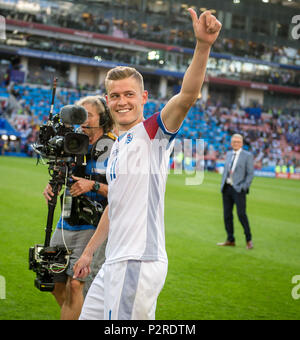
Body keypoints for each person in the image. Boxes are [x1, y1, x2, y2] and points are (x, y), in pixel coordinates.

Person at [73, 8, 222, 320]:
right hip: (113, 260)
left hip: (137, 261)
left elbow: (187, 96)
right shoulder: (115, 146)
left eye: (129, 94)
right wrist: (88, 253)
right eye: (115, 95)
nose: (122, 101)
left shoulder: (151, 133)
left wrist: (203, 46)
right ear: (107, 99)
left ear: (143, 97)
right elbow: (114, 206)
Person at [43, 95, 116, 320]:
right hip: (66, 220)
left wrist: (92, 185)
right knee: (53, 280)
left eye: (88, 115)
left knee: (76, 284)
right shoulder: (72, 142)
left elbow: (123, 193)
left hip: (94, 225)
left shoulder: (113, 147)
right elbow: (61, 172)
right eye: (79, 115)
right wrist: (52, 184)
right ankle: (82, 315)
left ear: (102, 118)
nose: (82, 120)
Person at [218, 134, 254, 249]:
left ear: (242, 143)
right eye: (234, 141)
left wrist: (244, 186)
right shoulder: (229, 154)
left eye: (238, 142)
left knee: (241, 215)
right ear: (231, 143)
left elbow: (250, 174)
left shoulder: (247, 156)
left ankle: (248, 239)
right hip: (227, 188)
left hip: (238, 190)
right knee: (227, 215)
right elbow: (226, 171)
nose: (236, 143)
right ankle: (230, 239)